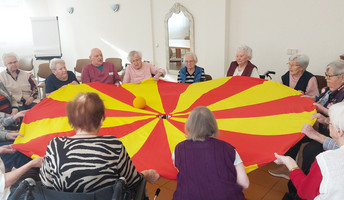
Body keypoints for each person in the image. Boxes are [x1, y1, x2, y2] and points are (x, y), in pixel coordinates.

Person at [39, 92, 159, 193]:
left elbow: (46, 184)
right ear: (101, 120)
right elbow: (133, 182)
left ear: (71, 120)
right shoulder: (113, 145)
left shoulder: (55, 145)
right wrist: (146, 174)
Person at [269, 59, 344, 180]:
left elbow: (339, 117)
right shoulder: (330, 89)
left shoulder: (340, 93)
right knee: (294, 130)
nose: (326, 78)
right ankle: (288, 167)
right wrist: (305, 97)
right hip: (320, 123)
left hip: (332, 133)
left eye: (330, 76)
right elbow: (319, 97)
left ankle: (304, 178)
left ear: (342, 77)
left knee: (309, 149)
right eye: (326, 75)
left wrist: (322, 111)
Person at [172, 106, 249, 200]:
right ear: (213, 125)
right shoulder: (229, 149)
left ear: (189, 126)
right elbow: (244, 183)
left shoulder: (179, 149)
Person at [274, 102, 344, 200]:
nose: (328, 125)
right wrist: (316, 135)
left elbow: (305, 191)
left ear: (339, 131)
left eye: (330, 123)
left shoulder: (326, 160)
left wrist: (290, 164)